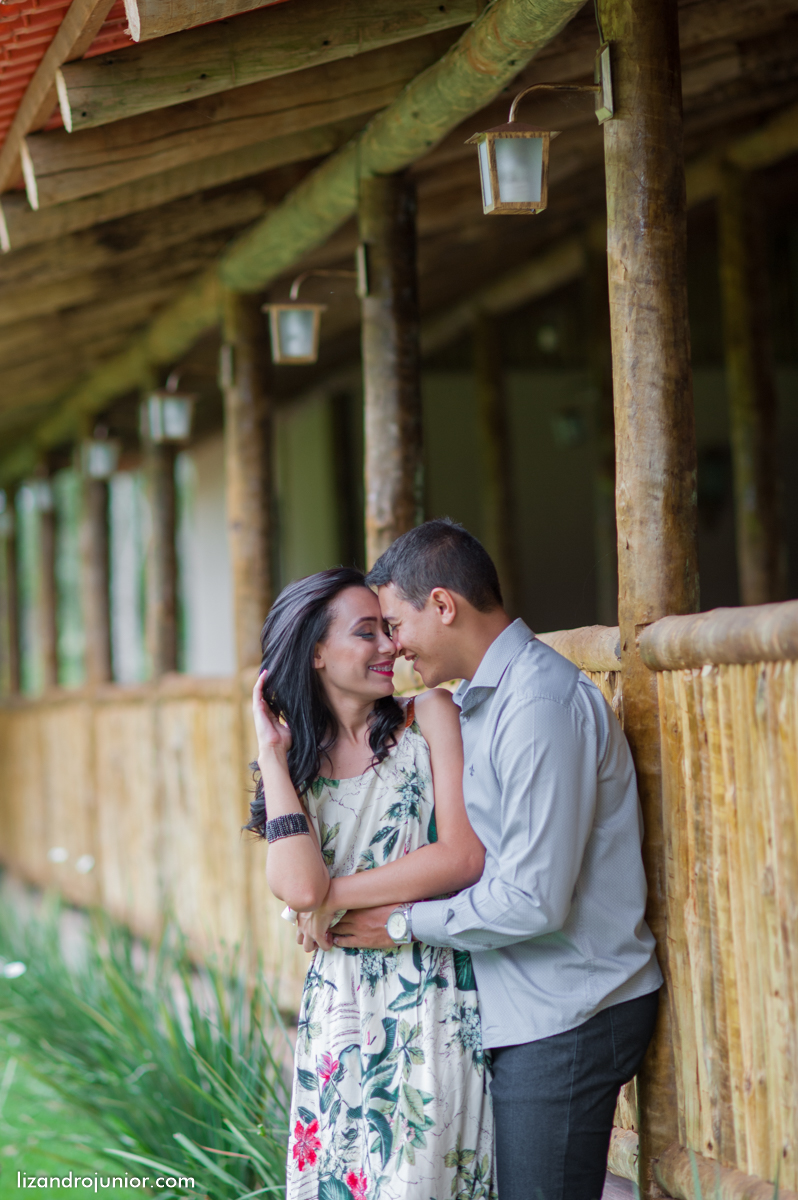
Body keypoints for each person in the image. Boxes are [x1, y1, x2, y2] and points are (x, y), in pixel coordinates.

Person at [322, 520, 663, 1200]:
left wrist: (399, 923)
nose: (393, 645)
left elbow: (533, 899)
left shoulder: (538, 705)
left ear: (444, 606)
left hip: (570, 1010)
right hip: (520, 1004)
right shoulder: (474, 705)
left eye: (395, 624)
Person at [248, 566, 496, 1200]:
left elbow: (461, 856)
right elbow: (299, 888)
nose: (390, 646)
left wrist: (338, 896)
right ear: (317, 654)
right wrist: (273, 755)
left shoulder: (431, 716)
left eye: (388, 629)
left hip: (431, 993)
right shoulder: (297, 765)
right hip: (339, 1009)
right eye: (368, 633)